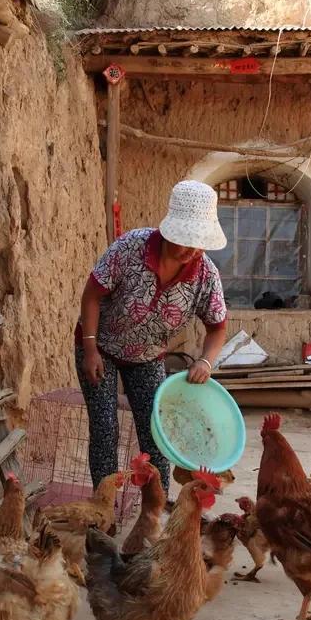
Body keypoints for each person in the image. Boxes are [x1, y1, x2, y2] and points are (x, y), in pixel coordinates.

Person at [76, 180, 229, 494]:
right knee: (105, 427)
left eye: (198, 243)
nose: (190, 250)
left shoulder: (205, 274)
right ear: (169, 229)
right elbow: (91, 296)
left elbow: (217, 327)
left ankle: (156, 507)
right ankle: (102, 510)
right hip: (100, 345)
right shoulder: (131, 247)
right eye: (184, 240)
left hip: (148, 356)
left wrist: (205, 361)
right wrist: (90, 349)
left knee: (156, 432)